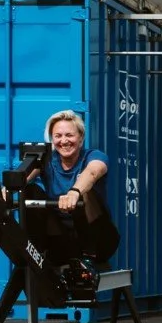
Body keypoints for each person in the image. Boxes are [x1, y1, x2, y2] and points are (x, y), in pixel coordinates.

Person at [27, 109, 120, 266]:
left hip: (98, 239)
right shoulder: (46, 160)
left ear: (81, 137)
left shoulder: (94, 156)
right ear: (52, 139)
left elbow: (92, 172)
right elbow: (24, 176)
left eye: (69, 135)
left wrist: (74, 192)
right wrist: (7, 190)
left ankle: (88, 254)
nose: (64, 141)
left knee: (85, 191)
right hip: (61, 238)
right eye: (58, 136)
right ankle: (36, 251)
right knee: (29, 191)